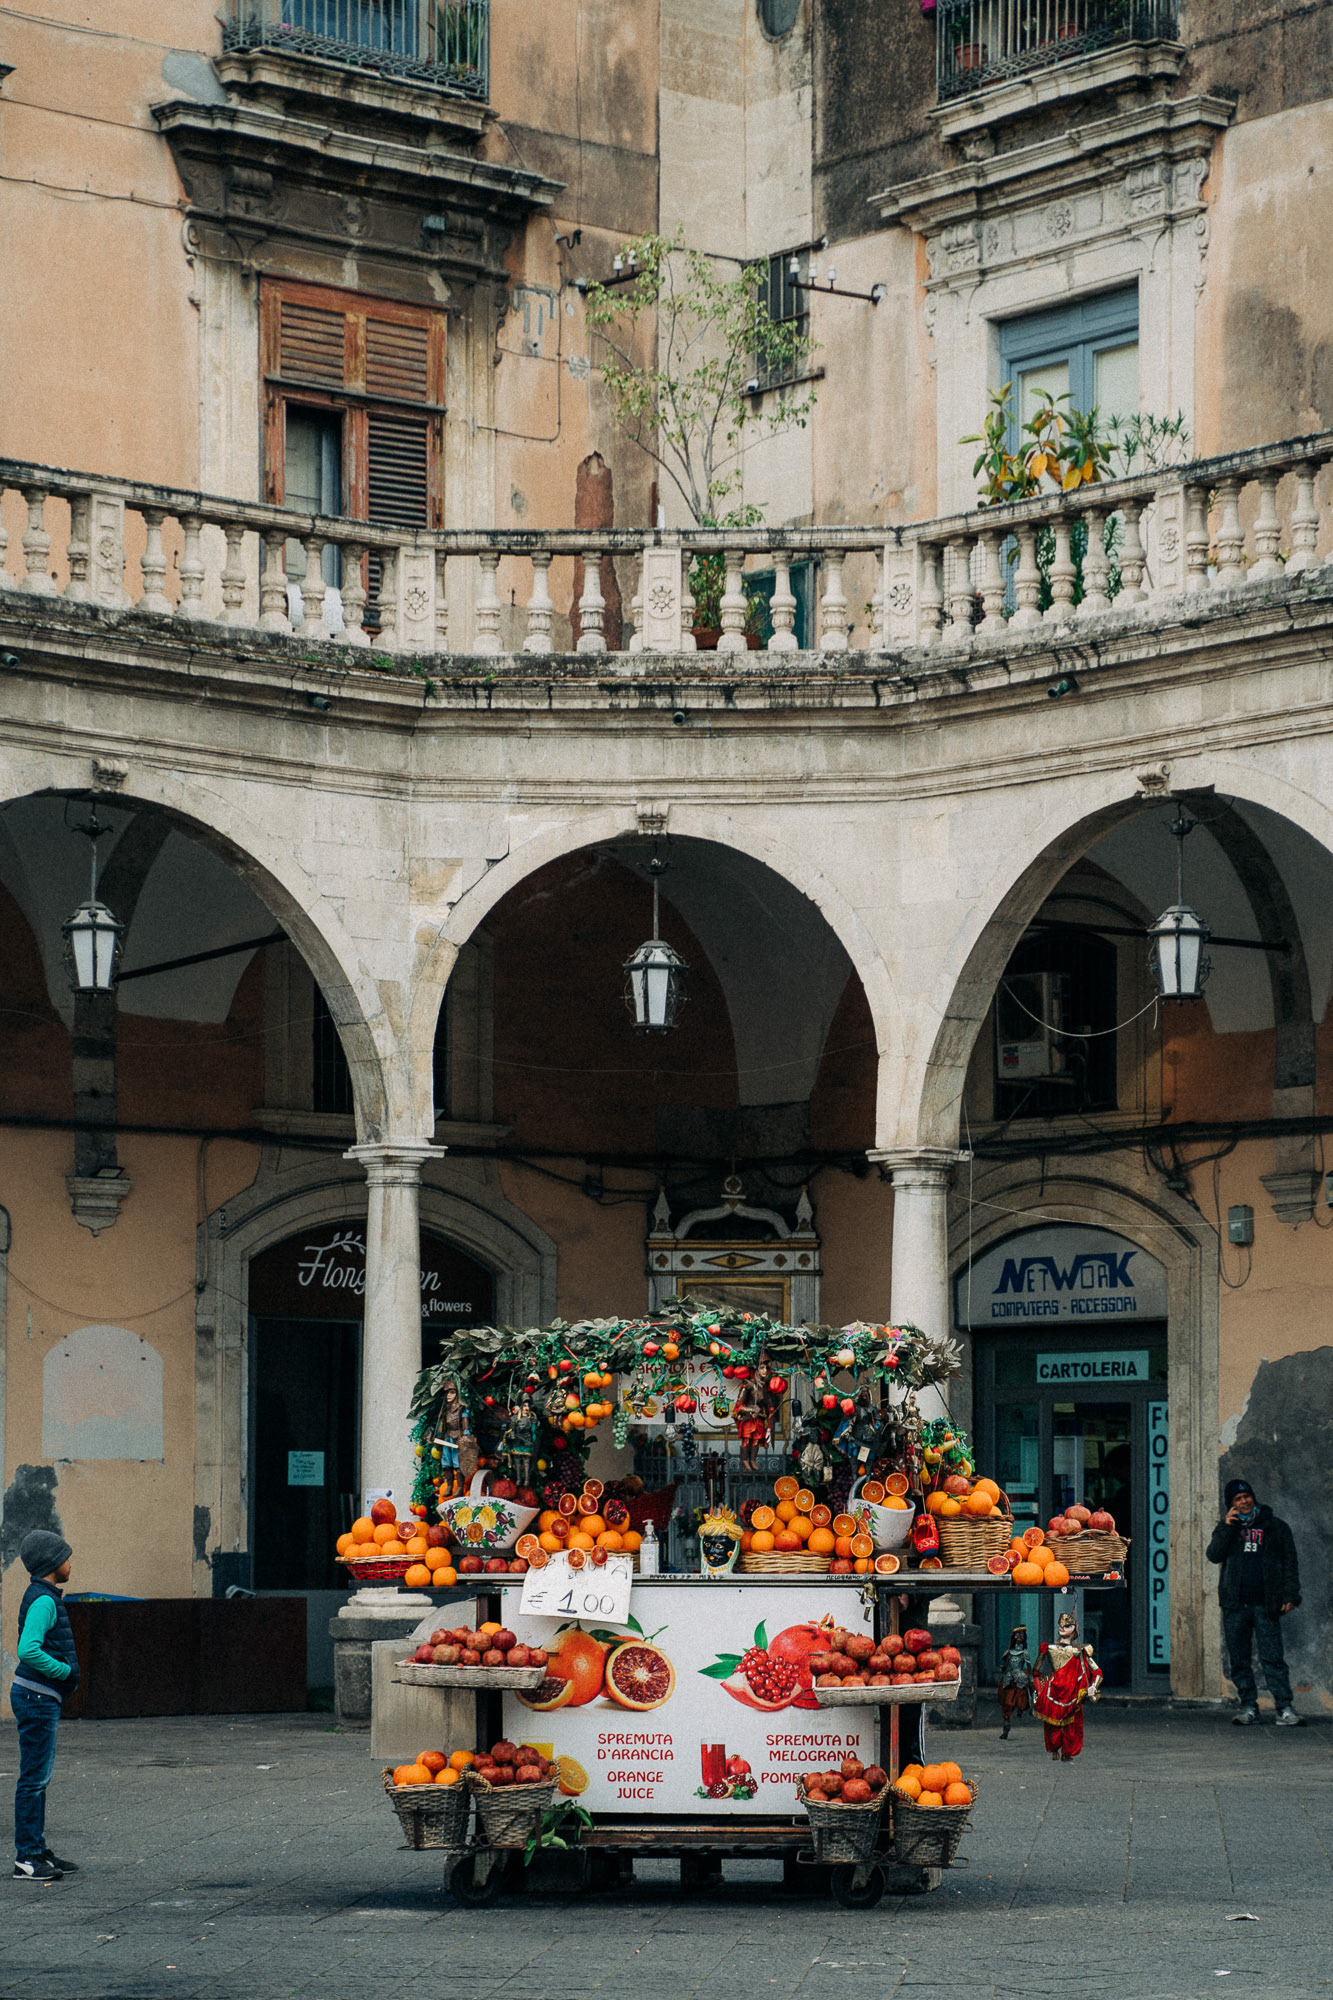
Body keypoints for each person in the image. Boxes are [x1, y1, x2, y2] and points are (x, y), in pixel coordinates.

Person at [11, 1530, 80, 1882]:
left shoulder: (45, 1596)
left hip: (39, 1696)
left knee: (38, 1778)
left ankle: (36, 1849)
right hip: (36, 1696)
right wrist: (64, 1671)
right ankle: (27, 1856)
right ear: (53, 1563)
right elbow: (28, 1650)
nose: (71, 1562)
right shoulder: (44, 1600)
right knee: (34, 1779)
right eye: (66, 1556)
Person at [1206, 1478, 1302, 1726]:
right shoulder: (1228, 1528)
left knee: (1273, 1658)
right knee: (1239, 1659)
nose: (1244, 1501)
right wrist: (1227, 1527)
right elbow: (1213, 1555)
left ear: (1253, 1497)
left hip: (1266, 1604)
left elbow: (1290, 1563)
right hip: (1235, 1605)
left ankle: (1284, 1708)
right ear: (1231, 1505)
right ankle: (1249, 1706)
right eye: (1238, 1499)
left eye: (1246, 1496)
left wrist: (1290, 1595)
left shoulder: (1275, 1527)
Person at [1033, 1610, 1102, 1761]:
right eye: (1062, 1624)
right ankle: (1054, 1750)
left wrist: (1093, 1687)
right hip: (1053, 1691)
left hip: (1072, 1692)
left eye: (1068, 1625)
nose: (1063, 1627)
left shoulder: (1080, 1651)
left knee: (1073, 1726)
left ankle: (1067, 1752)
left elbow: (1097, 1672)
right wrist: (1038, 1689)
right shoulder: (1048, 1649)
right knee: (1052, 1726)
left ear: (1074, 1629)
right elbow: (1036, 1671)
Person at [998, 1623, 1034, 1739]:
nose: (1019, 1636)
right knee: (1006, 1703)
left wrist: (1031, 1680)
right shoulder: (1008, 1652)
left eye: (1021, 1634)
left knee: (1020, 1699)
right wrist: (1003, 1667)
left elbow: (1029, 1669)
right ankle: (1006, 1728)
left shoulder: (1025, 1654)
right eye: (1017, 1634)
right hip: (1009, 1678)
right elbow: (1004, 1665)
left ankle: (1021, 1708)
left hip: (1019, 1677)